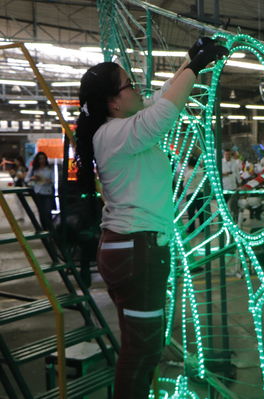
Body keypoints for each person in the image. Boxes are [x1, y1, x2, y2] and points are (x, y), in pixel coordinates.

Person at [74, 37, 228, 399]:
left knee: (142, 347)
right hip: (136, 251)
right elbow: (162, 113)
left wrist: (189, 61)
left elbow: (158, 100)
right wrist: (195, 68)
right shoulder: (114, 135)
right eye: (129, 85)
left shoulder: (117, 132)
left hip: (133, 248)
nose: (137, 89)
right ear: (113, 102)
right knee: (142, 351)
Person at [25, 152, 54, 230]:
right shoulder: (34, 169)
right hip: (38, 192)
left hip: (47, 192)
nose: (42, 160)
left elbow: (54, 180)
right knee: (41, 212)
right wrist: (33, 178)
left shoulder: (49, 169)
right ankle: (44, 229)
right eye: (40, 159)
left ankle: (50, 229)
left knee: (48, 211)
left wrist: (49, 181)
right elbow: (26, 179)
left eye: (43, 158)